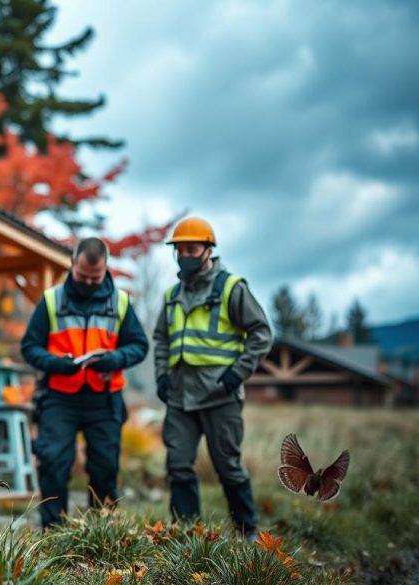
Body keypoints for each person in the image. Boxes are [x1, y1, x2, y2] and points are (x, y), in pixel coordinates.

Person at [152, 216, 273, 541]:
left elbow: (261, 333)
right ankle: (186, 536)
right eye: (179, 250)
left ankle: (248, 533)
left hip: (221, 396)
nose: (185, 256)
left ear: (208, 250)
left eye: (191, 249)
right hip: (179, 397)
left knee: (228, 467)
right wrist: (161, 375)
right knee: (178, 466)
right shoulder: (171, 295)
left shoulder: (231, 288)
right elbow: (161, 338)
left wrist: (238, 373)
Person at [20, 237, 150, 528]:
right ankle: (53, 531)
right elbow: (29, 347)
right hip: (59, 397)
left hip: (104, 399)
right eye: (82, 277)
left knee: (105, 468)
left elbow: (139, 346)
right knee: (53, 463)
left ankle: (100, 530)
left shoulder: (121, 302)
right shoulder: (51, 301)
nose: (89, 283)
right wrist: (56, 363)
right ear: (72, 265)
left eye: (96, 278)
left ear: (105, 270)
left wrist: (115, 359)